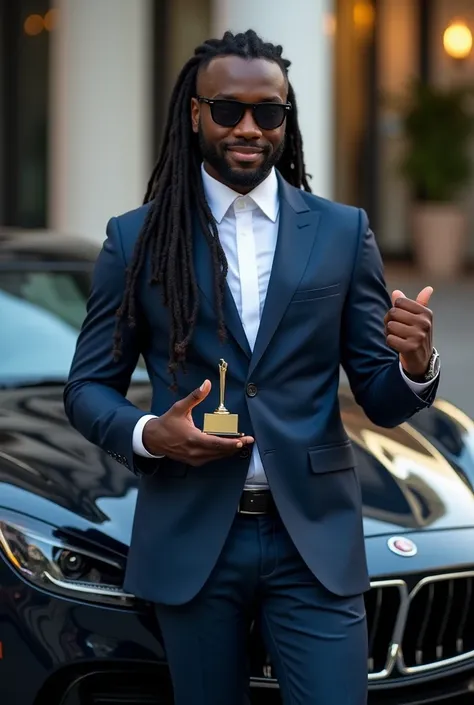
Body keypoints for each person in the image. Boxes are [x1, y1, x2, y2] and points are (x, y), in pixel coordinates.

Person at [64, 29, 440, 705]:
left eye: (268, 112)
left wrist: (414, 362)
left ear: (286, 118)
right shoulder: (135, 238)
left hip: (313, 539)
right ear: (195, 113)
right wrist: (152, 432)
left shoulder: (341, 232)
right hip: (193, 537)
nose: (248, 127)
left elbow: (382, 399)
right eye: (228, 109)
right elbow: (88, 387)